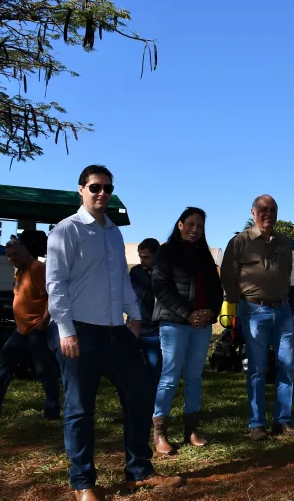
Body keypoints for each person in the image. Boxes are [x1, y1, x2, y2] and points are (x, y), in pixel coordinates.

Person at [46, 165, 183, 500]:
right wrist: (65, 330)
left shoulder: (113, 233)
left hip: (115, 331)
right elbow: (55, 283)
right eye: (95, 187)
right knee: (80, 409)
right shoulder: (66, 230)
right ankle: (83, 483)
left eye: (107, 188)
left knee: (141, 394)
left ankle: (139, 471)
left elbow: (121, 279)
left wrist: (134, 317)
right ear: (81, 190)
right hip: (77, 330)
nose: (102, 193)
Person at [221, 195, 294, 440]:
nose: (268, 213)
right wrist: (237, 303)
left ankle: (283, 421)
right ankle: (257, 424)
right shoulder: (240, 241)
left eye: (273, 209)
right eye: (263, 209)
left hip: (283, 310)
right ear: (253, 212)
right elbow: (228, 275)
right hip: (254, 310)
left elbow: (286, 272)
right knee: (257, 368)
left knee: (287, 365)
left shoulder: (284, 242)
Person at [150, 208, 223, 454]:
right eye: (190, 224)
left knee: (194, 377)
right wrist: (188, 314)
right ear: (180, 225)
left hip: (201, 326)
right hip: (174, 324)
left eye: (200, 226)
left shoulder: (204, 255)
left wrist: (211, 312)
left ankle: (191, 430)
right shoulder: (166, 252)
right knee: (170, 377)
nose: (195, 230)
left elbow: (216, 289)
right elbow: (160, 287)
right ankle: (160, 432)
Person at [0, 231, 60, 420]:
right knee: (4, 360)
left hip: (37, 329)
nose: (12, 259)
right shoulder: (21, 272)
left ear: (26, 251)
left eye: (15, 254)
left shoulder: (37, 268)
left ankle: (52, 410)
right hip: (22, 330)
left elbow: (52, 296)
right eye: (9, 256)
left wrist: (43, 322)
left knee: (45, 370)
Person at [130, 238, 162, 389]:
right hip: (136, 326)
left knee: (154, 368)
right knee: (132, 368)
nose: (142, 261)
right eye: (140, 256)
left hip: (155, 329)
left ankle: (154, 397)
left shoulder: (163, 273)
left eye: (147, 257)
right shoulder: (135, 272)